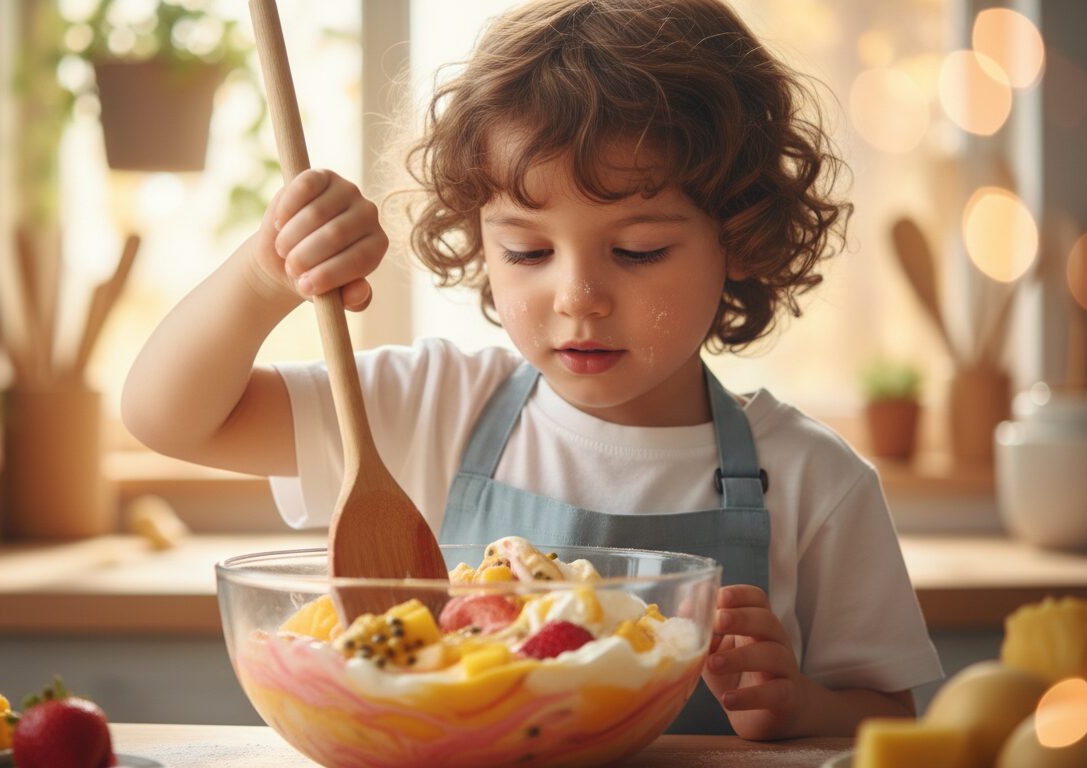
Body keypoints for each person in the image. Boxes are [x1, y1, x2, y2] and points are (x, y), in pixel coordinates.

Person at [122, 0, 942, 739]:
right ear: (480, 241)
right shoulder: (432, 408)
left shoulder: (814, 482)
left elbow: (889, 720)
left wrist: (800, 703)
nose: (578, 297)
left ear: (741, 235)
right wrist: (265, 277)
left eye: (637, 250)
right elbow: (168, 417)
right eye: (527, 250)